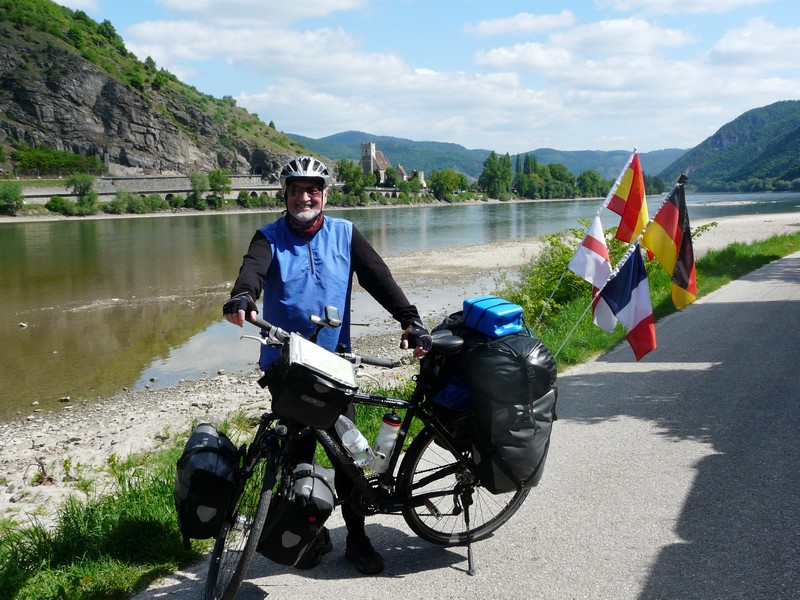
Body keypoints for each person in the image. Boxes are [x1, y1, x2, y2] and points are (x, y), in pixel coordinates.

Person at [223, 155, 431, 575]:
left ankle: (357, 538)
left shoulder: (345, 234)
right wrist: (243, 297)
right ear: (285, 195)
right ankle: (310, 534)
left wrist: (411, 320)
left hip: (336, 366)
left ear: (324, 194)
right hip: (288, 365)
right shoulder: (268, 237)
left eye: (313, 189)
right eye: (296, 189)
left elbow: (379, 278)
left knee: (345, 460)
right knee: (294, 457)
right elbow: (253, 274)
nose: (305, 196)